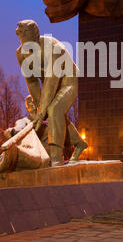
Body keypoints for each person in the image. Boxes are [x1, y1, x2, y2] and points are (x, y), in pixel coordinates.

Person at [16, 20, 87, 166]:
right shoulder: (20, 54)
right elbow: (32, 81)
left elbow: (51, 80)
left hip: (68, 81)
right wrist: (39, 110)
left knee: (54, 109)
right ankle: (79, 143)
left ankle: (56, 157)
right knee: (49, 113)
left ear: (36, 36)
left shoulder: (54, 47)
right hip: (51, 83)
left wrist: (42, 110)